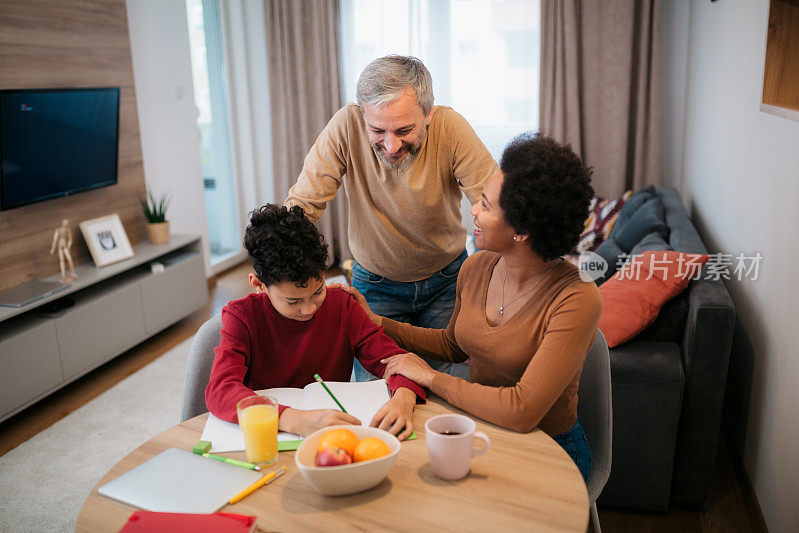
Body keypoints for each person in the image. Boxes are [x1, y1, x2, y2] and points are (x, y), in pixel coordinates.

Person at [337, 133, 601, 480]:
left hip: (550, 449)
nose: (473, 209)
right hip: (484, 430)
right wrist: (376, 321)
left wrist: (430, 376)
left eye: (486, 205)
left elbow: (522, 410)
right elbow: (453, 345)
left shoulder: (576, 298)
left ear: (521, 230)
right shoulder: (477, 267)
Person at [285, 55, 498, 381]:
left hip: (447, 281)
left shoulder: (450, 127)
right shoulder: (346, 124)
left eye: (404, 130)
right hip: (375, 284)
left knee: (440, 390)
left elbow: (494, 203)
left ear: (428, 113)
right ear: (363, 116)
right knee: (374, 392)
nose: (391, 145)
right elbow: (304, 203)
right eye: (377, 130)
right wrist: (277, 262)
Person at [205, 204, 426, 439]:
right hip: (269, 440)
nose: (309, 309)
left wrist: (404, 397)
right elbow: (221, 390)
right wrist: (293, 419)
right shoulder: (242, 317)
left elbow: (397, 361)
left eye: (318, 291)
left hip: (332, 440)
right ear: (259, 285)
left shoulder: (342, 305)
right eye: (293, 301)